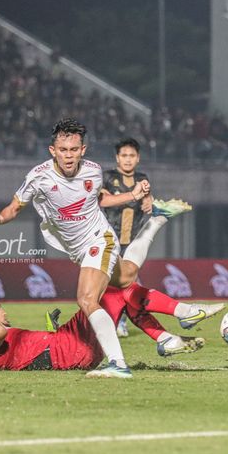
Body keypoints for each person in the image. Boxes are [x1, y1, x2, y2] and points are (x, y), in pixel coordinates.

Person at [0, 118, 221, 378]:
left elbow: (100, 199)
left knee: (87, 299)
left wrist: (132, 196)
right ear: (52, 151)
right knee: (128, 276)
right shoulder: (38, 177)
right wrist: (2, 217)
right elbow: (15, 206)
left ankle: (118, 364)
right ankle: (160, 227)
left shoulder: (93, 172)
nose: (69, 156)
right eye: (63, 150)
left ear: (83, 150)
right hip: (79, 250)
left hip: (99, 240)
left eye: (74, 150)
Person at [101, 138, 153, 337]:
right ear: (117, 158)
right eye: (124, 155)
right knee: (110, 285)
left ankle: (120, 321)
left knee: (130, 286)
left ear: (138, 158)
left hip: (133, 242)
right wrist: (133, 195)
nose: (128, 159)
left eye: (132, 155)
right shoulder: (108, 177)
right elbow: (103, 201)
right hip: (110, 240)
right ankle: (113, 322)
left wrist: (149, 201)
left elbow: (148, 200)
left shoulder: (143, 178)